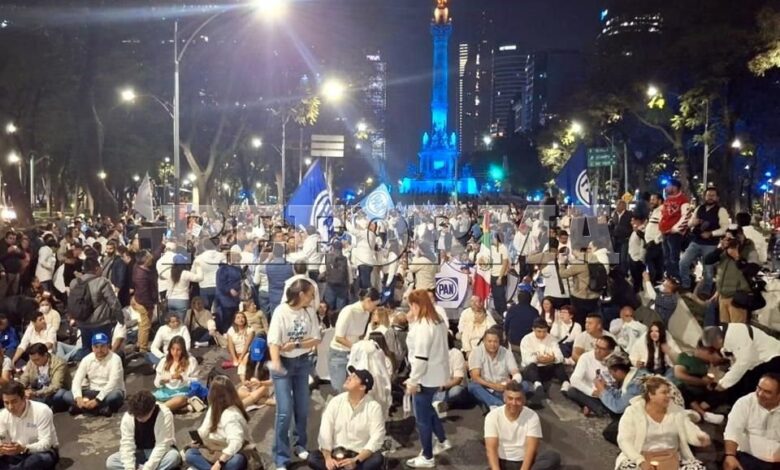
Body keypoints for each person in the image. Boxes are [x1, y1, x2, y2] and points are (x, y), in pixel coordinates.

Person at [268, 278, 322, 469]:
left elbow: (316, 339)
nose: (312, 299)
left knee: (302, 407)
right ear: (301, 295)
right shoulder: (280, 312)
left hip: (302, 362)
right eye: (310, 295)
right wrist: (276, 363)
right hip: (283, 363)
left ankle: (300, 444)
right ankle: (281, 457)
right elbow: (273, 341)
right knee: (284, 412)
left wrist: (297, 344)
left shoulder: (309, 312)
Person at [615, 376, 709, 470]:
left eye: (669, 392)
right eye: (664, 392)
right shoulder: (633, 412)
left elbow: (689, 428)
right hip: (641, 457)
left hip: (673, 457)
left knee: (698, 468)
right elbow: (624, 440)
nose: (669, 395)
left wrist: (699, 437)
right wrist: (640, 461)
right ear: (651, 395)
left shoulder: (677, 411)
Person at [404, 289, 451, 468]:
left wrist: (413, 381)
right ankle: (442, 440)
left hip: (425, 377)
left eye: (411, 306)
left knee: (422, 418)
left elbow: (420, 357)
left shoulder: (424, 325)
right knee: (429, 411)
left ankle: (428, 456)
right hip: (437, 374)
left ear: (415, 305)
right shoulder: (437, 321)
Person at [307, 368, 386, 470]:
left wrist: (356, 460)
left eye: (355, 378)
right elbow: (325, 432)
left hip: (359, 454)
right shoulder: (335, 402)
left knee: (377, 459)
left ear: (362, 387)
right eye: (350, 375)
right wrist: (328, 458)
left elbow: (377, 437)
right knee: (313, 458)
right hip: (336, 452)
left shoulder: (373, 407)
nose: (349, 378)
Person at [484, 381, 561, 470]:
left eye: (518, 399)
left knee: (552, 456)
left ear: (523, 400)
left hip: (524, 462)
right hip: (502, 461)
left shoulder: (532, 416)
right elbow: (491, 448)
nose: (514, 403)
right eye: (510, 398)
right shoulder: (492, 416)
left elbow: (531, 448)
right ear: (504, 398)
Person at [700, 325, 780, 403]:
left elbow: (743, 362)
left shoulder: (737, 334)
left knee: (752, 386)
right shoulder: (725, 336)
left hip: (772, 357)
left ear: (719, 339)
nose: (715, 347)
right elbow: (736, 361)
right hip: (757, 362)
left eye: (714, 345)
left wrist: (723, 384)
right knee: (741, 384)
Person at [184, 376, 250, 470]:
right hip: (213, 448)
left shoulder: (232, 415)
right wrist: (197, 439)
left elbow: (236, 443)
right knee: (190, 454)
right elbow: (204, 430)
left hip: (230, 453)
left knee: (236, 461)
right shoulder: (213, 408)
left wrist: (220, 462)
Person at [105, 390, 181, 470]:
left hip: (159, 451)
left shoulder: (164, 414)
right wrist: (129, 468)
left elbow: (162, 445)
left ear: (152, 408)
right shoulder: (128, 416)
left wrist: (148, 468)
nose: (139, 419)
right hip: (139, 452)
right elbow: (127, 444)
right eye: (137, 416)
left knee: (173, 457)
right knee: (111, 461)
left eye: (143, 416)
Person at [70, 256, 124, 360]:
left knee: (86, 348)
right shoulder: (102, 282)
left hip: (82, 322)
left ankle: (88, 371)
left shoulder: (74, 282)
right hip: (100, 323)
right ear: (96, 268)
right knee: (102, 349)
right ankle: (103, 371)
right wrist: (120, 319)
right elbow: (113, 302)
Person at [722, 373, 780, 470]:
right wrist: (730, 455)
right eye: (759, 388)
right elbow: (732, 431)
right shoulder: (745, 402)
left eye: (767, 392)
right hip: (747, 458)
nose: (760, 394)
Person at [329, 288, 381, 393]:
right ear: (368, 300)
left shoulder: (366, 314)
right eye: (374, 304)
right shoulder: (348, 311)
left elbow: (360, 334)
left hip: (354, 353)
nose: (375, 308)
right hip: (339, 353)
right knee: (340, 389)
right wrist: (356, 347)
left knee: (354, 388)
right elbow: (339, 337)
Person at [679, 187, 729, 294]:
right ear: (704, 196)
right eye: (708, 195)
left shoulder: (721, 210)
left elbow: (725, 228)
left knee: (708, 271)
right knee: (683, 262)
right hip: (696, 241)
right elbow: (689, 223)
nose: (710, 197)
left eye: (713, 195)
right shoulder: (699, 208)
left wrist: (711, 233)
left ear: (717, 198)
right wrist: (694, 222)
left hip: (711, 244)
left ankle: (706, 292)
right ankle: (686, 285)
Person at [0, 381, 59, 469]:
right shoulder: (3, 415)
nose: (10, 407)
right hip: (16, 454)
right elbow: (4, 439)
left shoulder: (42, 410)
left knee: (38, 460)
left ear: (24, 398)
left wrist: (24, 448)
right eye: (6, 403)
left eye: (14, 401)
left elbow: (46, 443)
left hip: (40, 452)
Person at [64, 332, 125, 417]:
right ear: (92, 347)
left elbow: (112, 383)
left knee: (115, 396)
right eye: (96, 347)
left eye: (102, 346)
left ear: (108, 346)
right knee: (67, 395)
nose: (99, 350)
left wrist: (97, 400)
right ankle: (100, 410)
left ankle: (84, 409)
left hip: (109, 392)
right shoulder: (87, 359)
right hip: (92, 392)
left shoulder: (115, 359)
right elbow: (77, 380)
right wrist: (78, 398)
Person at [468, 326, 525, 410]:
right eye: (489, 341)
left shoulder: (506, 352)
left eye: (495, 341)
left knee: (526, 385)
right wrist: (493, 386)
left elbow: (515, 372)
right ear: (484, 341)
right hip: (485, 387)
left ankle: (492, 402)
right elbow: (475, 377)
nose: (492, 344)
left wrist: (511, 383)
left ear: (499, 342)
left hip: (504, 387)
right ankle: (498, 404)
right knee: (472, 386)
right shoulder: (476, 352)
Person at [672, 341, 727, 425]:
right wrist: (702, 382)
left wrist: (709, 382)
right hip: (686, 391)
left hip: (700, 392)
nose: (711, 360)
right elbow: (679, 375)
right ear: (706, 351)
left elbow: (712, 378)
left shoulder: (706, 363)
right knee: (680, 388)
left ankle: (697, 409)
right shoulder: (686, 356)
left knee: (723, 387)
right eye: (712, 356)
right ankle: (704, 414)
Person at [563, 336, 617, 417]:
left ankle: (592, 407)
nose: (597, 351)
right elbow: (574, 379)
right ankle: (598, 409)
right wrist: (592, 392)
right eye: (596, 347)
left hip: (608, 394)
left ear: (610, 351)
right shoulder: (586, 357)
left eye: (602, 349)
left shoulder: (615, 360)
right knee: (572, 391)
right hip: (590, 393)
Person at [703, 238, 752, 324]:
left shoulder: (746, 253)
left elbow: (749, 271)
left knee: (737, 329)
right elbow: (707, 260)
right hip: (723, 296)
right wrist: (720, 248)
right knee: (725, 327)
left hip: (737, 297)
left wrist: (737, 257)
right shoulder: (723, 254)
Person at [520, 318, 569, 398]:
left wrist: (553, 359)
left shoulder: (552, 339)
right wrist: (537, 359)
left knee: (559, 364)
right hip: (532, 370)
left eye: (544, 332)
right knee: (531, 366)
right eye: (539, 331)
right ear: (533, 329)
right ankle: (538, 385)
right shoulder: (526, 340)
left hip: (547, 368)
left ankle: (566, 384)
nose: (542, 334)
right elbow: (525, 360)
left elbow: (560, 357)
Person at [18, 343, 70, 411]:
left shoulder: (59, 364)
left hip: (53, 393)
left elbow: (55, 386)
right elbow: (25, 377)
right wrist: (20, 389)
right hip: (38, 391)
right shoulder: (32, 361)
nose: (34, 362)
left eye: (37, 360)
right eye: (32, 360)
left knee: (59, 394)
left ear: (45, 355)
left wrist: (36, 394)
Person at [559, 247, 602, 327]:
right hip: (594, 296)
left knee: (579, 321)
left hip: (580, 297)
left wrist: (562, 263)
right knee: (592, 320)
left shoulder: (580, 264)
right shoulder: (596, 260)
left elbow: (563, 274)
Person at [153, 336, 198, 412]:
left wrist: (182, 378)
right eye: (172, 349)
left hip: (182, 392)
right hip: (166, 391)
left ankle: (158, 411)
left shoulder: (191, 361)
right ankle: (179, 408)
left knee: (180, 399)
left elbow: (196, 380)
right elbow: (156, 382)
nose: (175, 352)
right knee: (148, 398)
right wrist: (161, 382)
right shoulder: (164, 361)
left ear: (183, 350)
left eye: (178, 350)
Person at [659, 179, 690, 281]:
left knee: (673, 258)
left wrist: (674, 229)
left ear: (674, 187)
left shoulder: (683, 200)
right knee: (666, 258)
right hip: (665, 233)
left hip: (674, 234)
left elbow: (685, 217)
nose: (666, 188)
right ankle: (669, 278)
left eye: (668, 186)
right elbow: (663, 214)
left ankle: (675, 280)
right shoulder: (667, 199)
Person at [432, 331, 469, 416]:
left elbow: (458, 379)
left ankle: (440, 403)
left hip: (454, 386)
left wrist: (443, 387)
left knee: (456, 391)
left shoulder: (456, 354)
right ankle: (443, 404)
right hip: (438, 387)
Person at [131, 250, 158, 353]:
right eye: (149, 256)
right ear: (145, 260)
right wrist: (150, 306)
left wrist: (162, 245)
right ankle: (143, 348)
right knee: (145, 326)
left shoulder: (138, 266)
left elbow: (154, 257)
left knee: (141, 324)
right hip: (143, 304)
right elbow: (144, 295)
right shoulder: (141, 276)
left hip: (138, 300)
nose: (151, 257)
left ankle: (139, 343)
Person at [165, 254, 203, 319]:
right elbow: (200, 278)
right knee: (180, 323)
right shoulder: (185, 273)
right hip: (182, 300)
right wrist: (198, 267)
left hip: (170, 300)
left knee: (172, 322)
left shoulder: (168, 273)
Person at [226, 312, 254, 381]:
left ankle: (243, 382)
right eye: (238, 318)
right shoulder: (231, 330)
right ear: (235, 320)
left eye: (243, 317)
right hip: (236, 353)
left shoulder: (250, 330)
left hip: (248, 352)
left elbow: (247, 345)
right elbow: (230, 345)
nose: (241, 319)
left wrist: (241, 357)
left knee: (242, 363)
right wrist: (235, 358)